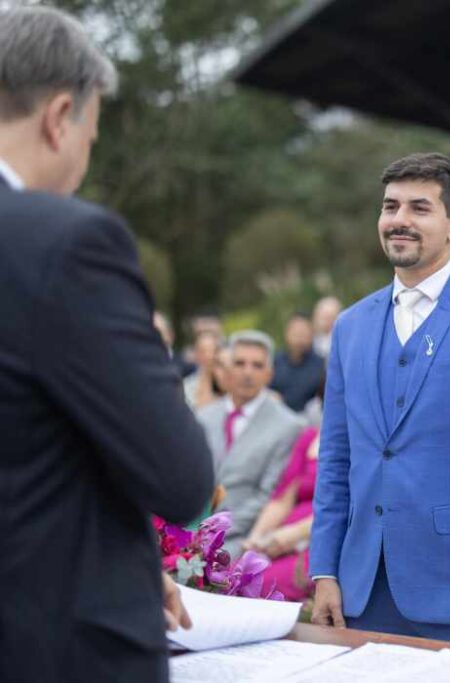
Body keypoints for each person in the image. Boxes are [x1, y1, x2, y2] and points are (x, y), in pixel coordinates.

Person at [0, 7, 214, 682]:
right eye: (90, 136)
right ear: (60, 117)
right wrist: (144, 360)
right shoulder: (62, 242)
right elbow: (180, 478)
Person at [309, 153, 450, 646]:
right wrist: (324, 569)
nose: (399, 220)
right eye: (390, 206)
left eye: (419, 208)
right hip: (360, 589)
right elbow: (336, 460)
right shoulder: (350, 326)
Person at [195, 331, 304, 555]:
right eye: (239, 363)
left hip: (242, 540)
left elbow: (269, 495)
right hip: (188, 527)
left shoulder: (289, 426)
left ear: (269, 374)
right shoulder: (203, 417)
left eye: (257, 365)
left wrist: (211, 532)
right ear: (227, 370)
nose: (247, 372)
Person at [244, 425, 321, 601]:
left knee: (261, 584)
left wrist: (295, 534)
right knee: (235, 576)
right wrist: (257, 538)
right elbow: (282, 499)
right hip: (281, 537)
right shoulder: (311, 436)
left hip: (319, 540)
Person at [271, 312, 326, 412]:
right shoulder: (275, 361)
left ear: (312, 335)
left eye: (304, 334)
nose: (299, 339)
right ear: (287, 333)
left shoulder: (321, 365)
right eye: (296, 333)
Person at [182, 330, 222, 410]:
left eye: (212, 350)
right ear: (196, 354)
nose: (208, 356)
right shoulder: (186, 386)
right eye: (203, 351)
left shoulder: (227, 383)